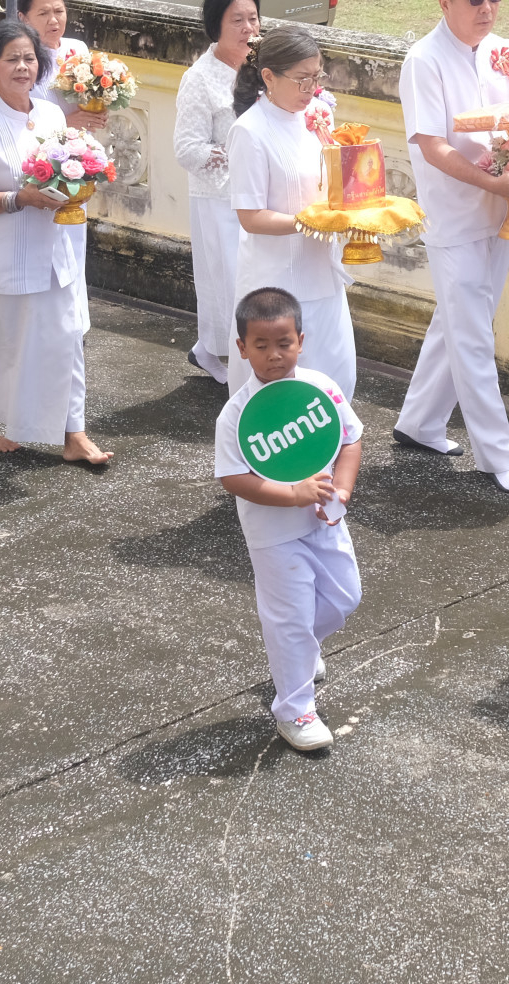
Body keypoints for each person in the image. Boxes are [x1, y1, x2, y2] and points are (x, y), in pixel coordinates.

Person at [394, 0, 509, 493]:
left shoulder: (500, 51)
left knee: (458, 323)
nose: (487, 7)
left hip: (501, 209)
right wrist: (497, 183)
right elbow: (432, 146)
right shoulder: (424, 60)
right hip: (455, 217)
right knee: (475, 336)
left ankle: (419, 422)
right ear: (445, 2)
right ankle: (496, 456)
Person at [215, 285, 364, 752]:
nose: (274, 355)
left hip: (325, 520)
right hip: (272, 535)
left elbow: (350, 440)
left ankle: (298, 652)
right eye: (261, 345)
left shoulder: (322, 389)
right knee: (290, 619)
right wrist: (293, 494)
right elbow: (233, 478)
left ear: (301, 340)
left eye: (284, 343)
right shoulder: (236, 414)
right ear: (242, 348)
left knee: (345, 597)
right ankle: (294, 710)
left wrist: (341, 490)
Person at [0, 19, 103, 462]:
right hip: (0, 259)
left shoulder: (51, 115)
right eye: (12, 59)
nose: (22, 67)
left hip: (54, 252)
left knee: (66, 340)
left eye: (30, 59)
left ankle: (73, 433)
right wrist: (19, 199)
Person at [227, 24, 355, 396]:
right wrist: (308, 223)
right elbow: (251, 217)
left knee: (335, 377)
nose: (311, 88)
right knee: (282, 388)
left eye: (317, 77)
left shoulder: (318, 114)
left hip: (323, 269)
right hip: (277, 279)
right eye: (301, 79)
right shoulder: (250, 131)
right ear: (268, 76)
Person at [174, 0, 259, 384]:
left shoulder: (263, 67)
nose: (248, 28)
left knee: (255, 278)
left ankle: (210, 350)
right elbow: (187, 148)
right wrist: (235, 153)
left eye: (253, 18)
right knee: (229, 281)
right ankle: (225, 355)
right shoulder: (200, 78)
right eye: (237, 20)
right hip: (219, 197)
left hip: (261, 193)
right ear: (215, 26)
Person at [16, 0, 89, 119]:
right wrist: (66, 123)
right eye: (43, 13)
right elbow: (17, 121)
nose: (54, 20)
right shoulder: (21, 63)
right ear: (24, 18)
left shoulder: (79, 48)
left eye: (59, 11)